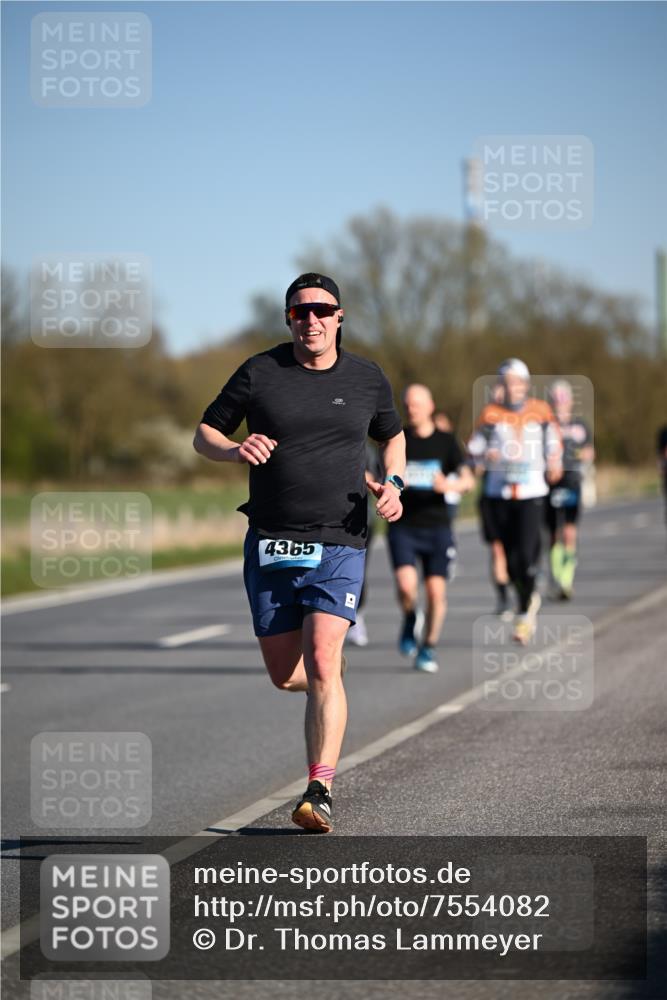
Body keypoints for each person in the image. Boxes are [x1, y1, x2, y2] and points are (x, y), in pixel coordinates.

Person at [194, 273, 405, 833]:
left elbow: (393, 436)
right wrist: (236, 448)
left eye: (321, 310)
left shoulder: (366, 377)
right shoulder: (260, 373)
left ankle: (319, 789)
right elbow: (203, 434)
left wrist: (395, 484)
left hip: (340, 535)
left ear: (340, 317)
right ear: (288, 319)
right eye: (299, 312)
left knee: (322, 656)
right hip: (270, 539)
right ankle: (327, 679)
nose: (310, 320)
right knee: (288, 673)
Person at [467, 359, 562, 645]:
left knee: (525, 555)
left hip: (532, 493)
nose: (512, 388)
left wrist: (554, 463)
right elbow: (473, 453)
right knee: (508, 562)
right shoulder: (490, 415)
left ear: (526, 384)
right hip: (499, 495)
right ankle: (526, 599)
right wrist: (484, 459)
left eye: (517, 382)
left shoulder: (541, 412)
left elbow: (554, 446)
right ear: (500, 386)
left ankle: (524, 611)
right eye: (506, 383)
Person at [388, 384, 473, 673]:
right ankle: (410, 617)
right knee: (405, 586)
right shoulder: (396, 440)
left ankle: (429, 646)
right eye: (408, 404)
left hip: (437, 526)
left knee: (436, 593)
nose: (412, 409)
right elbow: (376, 473)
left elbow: (468, 480)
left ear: (430, 406)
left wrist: (447, 485)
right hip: (404, 526)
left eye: (417, 404)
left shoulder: (446, 441)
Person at [545, 380, 594, 599]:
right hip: (550, 483)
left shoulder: (580, 426)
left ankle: (566, 579)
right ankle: (556, 577)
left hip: (572, 481)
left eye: (563, 399)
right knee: (553, 533)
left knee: (569, 531)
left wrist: (584, 456)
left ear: (571, 402)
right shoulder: (545, 425)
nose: (560, 404)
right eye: (556, 399)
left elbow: (590, 451)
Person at [346, 441, 384, 647]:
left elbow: (377, 478)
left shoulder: (364, 447)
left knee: (356, 572)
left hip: (359, 522)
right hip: (322, 522)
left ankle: (356, 617)